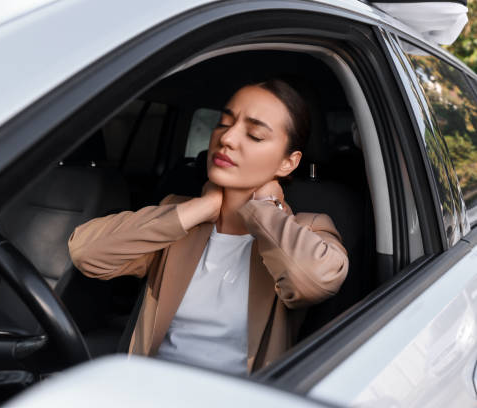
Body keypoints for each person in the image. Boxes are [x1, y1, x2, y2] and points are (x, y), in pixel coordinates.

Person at [67, 79, 349, 376]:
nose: (227, 138)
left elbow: (313, 282)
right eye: (224, 122)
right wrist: (198, 208)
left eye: (254, 135)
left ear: (287, 164)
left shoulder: (309, 229)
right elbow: (86, 253)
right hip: (146, 389)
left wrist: (265, 207)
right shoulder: (177, 218)